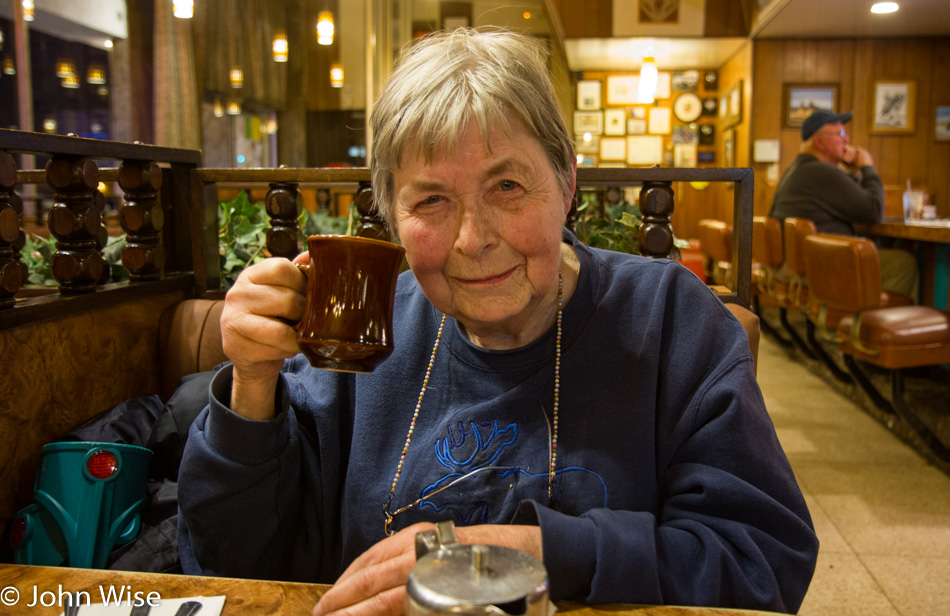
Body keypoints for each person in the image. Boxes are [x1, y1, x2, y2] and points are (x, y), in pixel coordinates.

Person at [177, 28, 818, 615]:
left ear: (566, 183)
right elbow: (231, 566)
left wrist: (533, 555)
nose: (472, 239)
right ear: (393, 216)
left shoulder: (671, 319)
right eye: (431, 199)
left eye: (507, 186)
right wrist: (252, 386)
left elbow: (763, 564)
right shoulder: (362, 337)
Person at [769, 110, 919, 301]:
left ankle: (857, 319)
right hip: (821, 266)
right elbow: (874, 210)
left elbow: (854, 202)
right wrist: (867, 167)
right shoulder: (822, 172)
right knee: (903, 263)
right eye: (840, 134)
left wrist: (853, 173)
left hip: (796, 264)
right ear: (819, 141)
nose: (847, 139)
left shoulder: (798, 170)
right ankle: (864, 322)